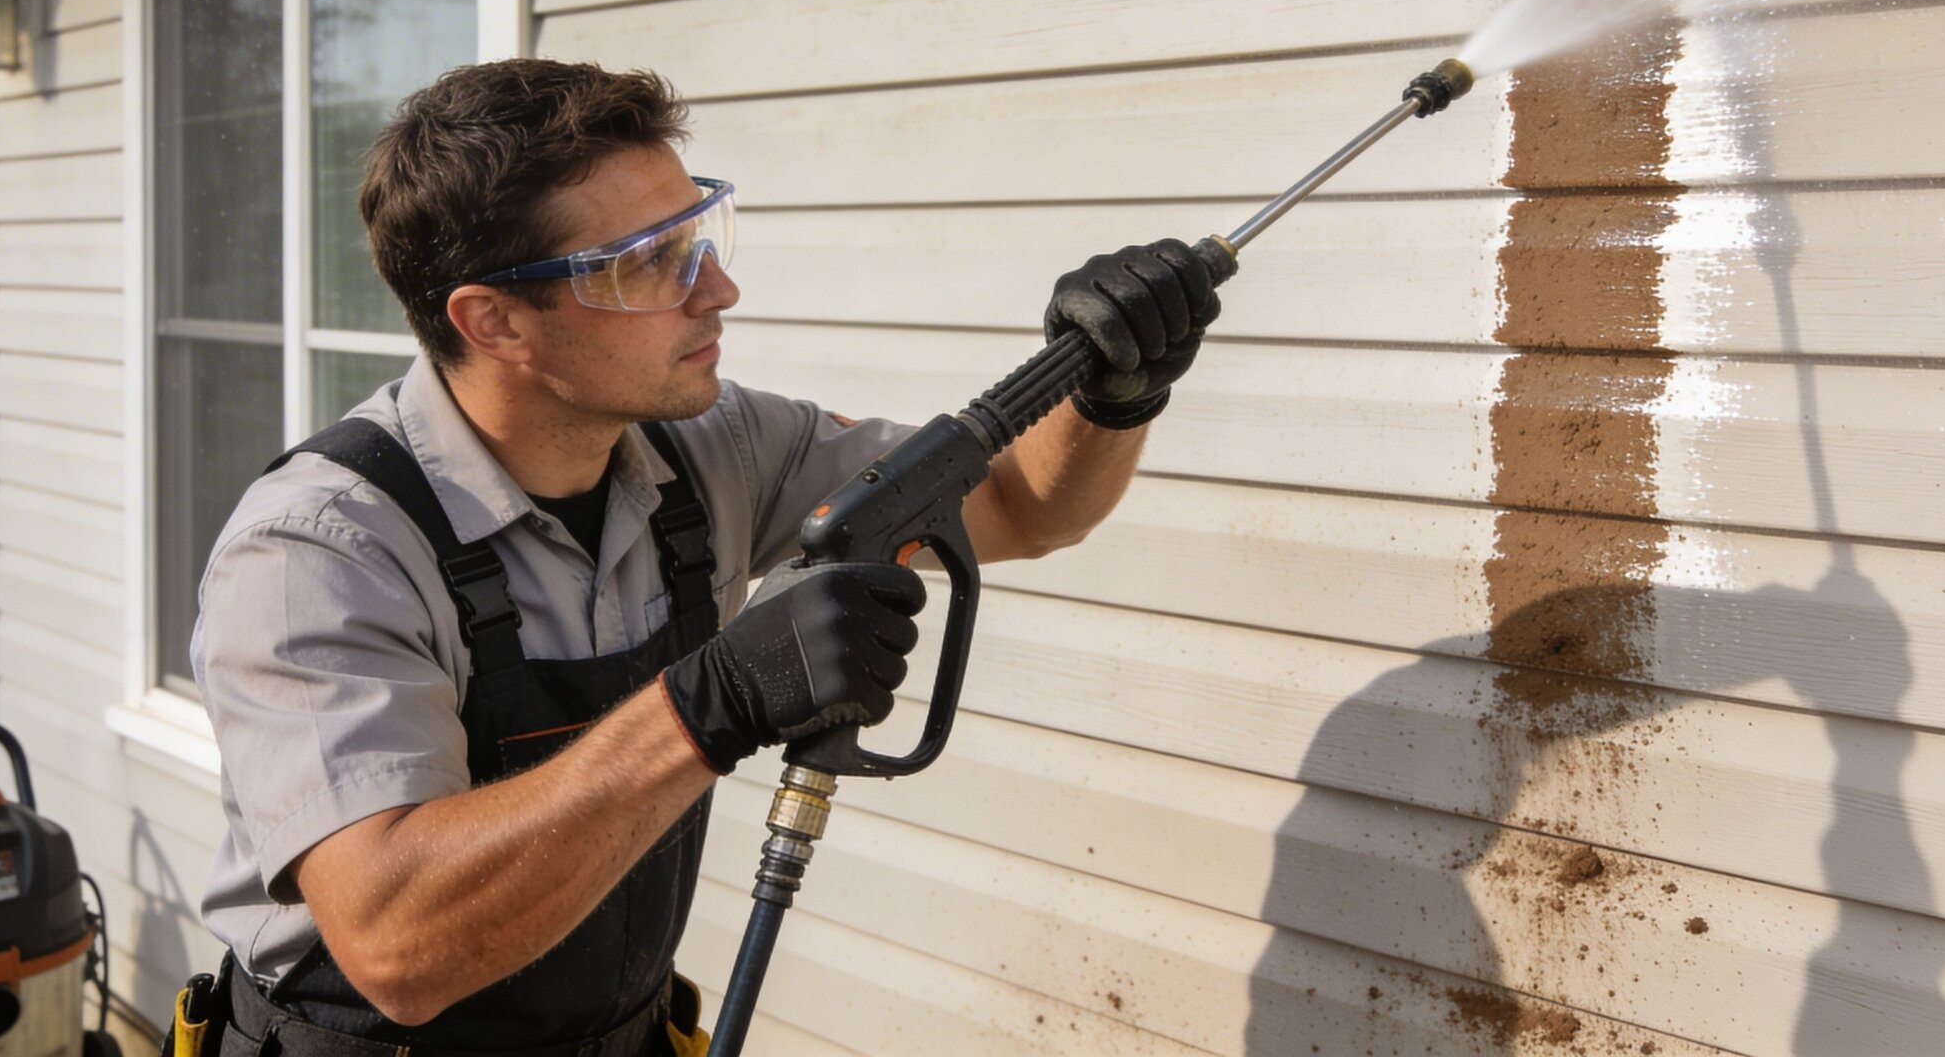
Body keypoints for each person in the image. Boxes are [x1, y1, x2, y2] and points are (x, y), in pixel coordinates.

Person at [179, 59, 1221, 1057]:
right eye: (646, 264)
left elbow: (1017, 506)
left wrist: (1108, 394)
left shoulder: (717, 449)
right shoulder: (318, 551)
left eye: (699, 233)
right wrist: (706, 704)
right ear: (494, 321)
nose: (715, 288)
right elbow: (400, 948)